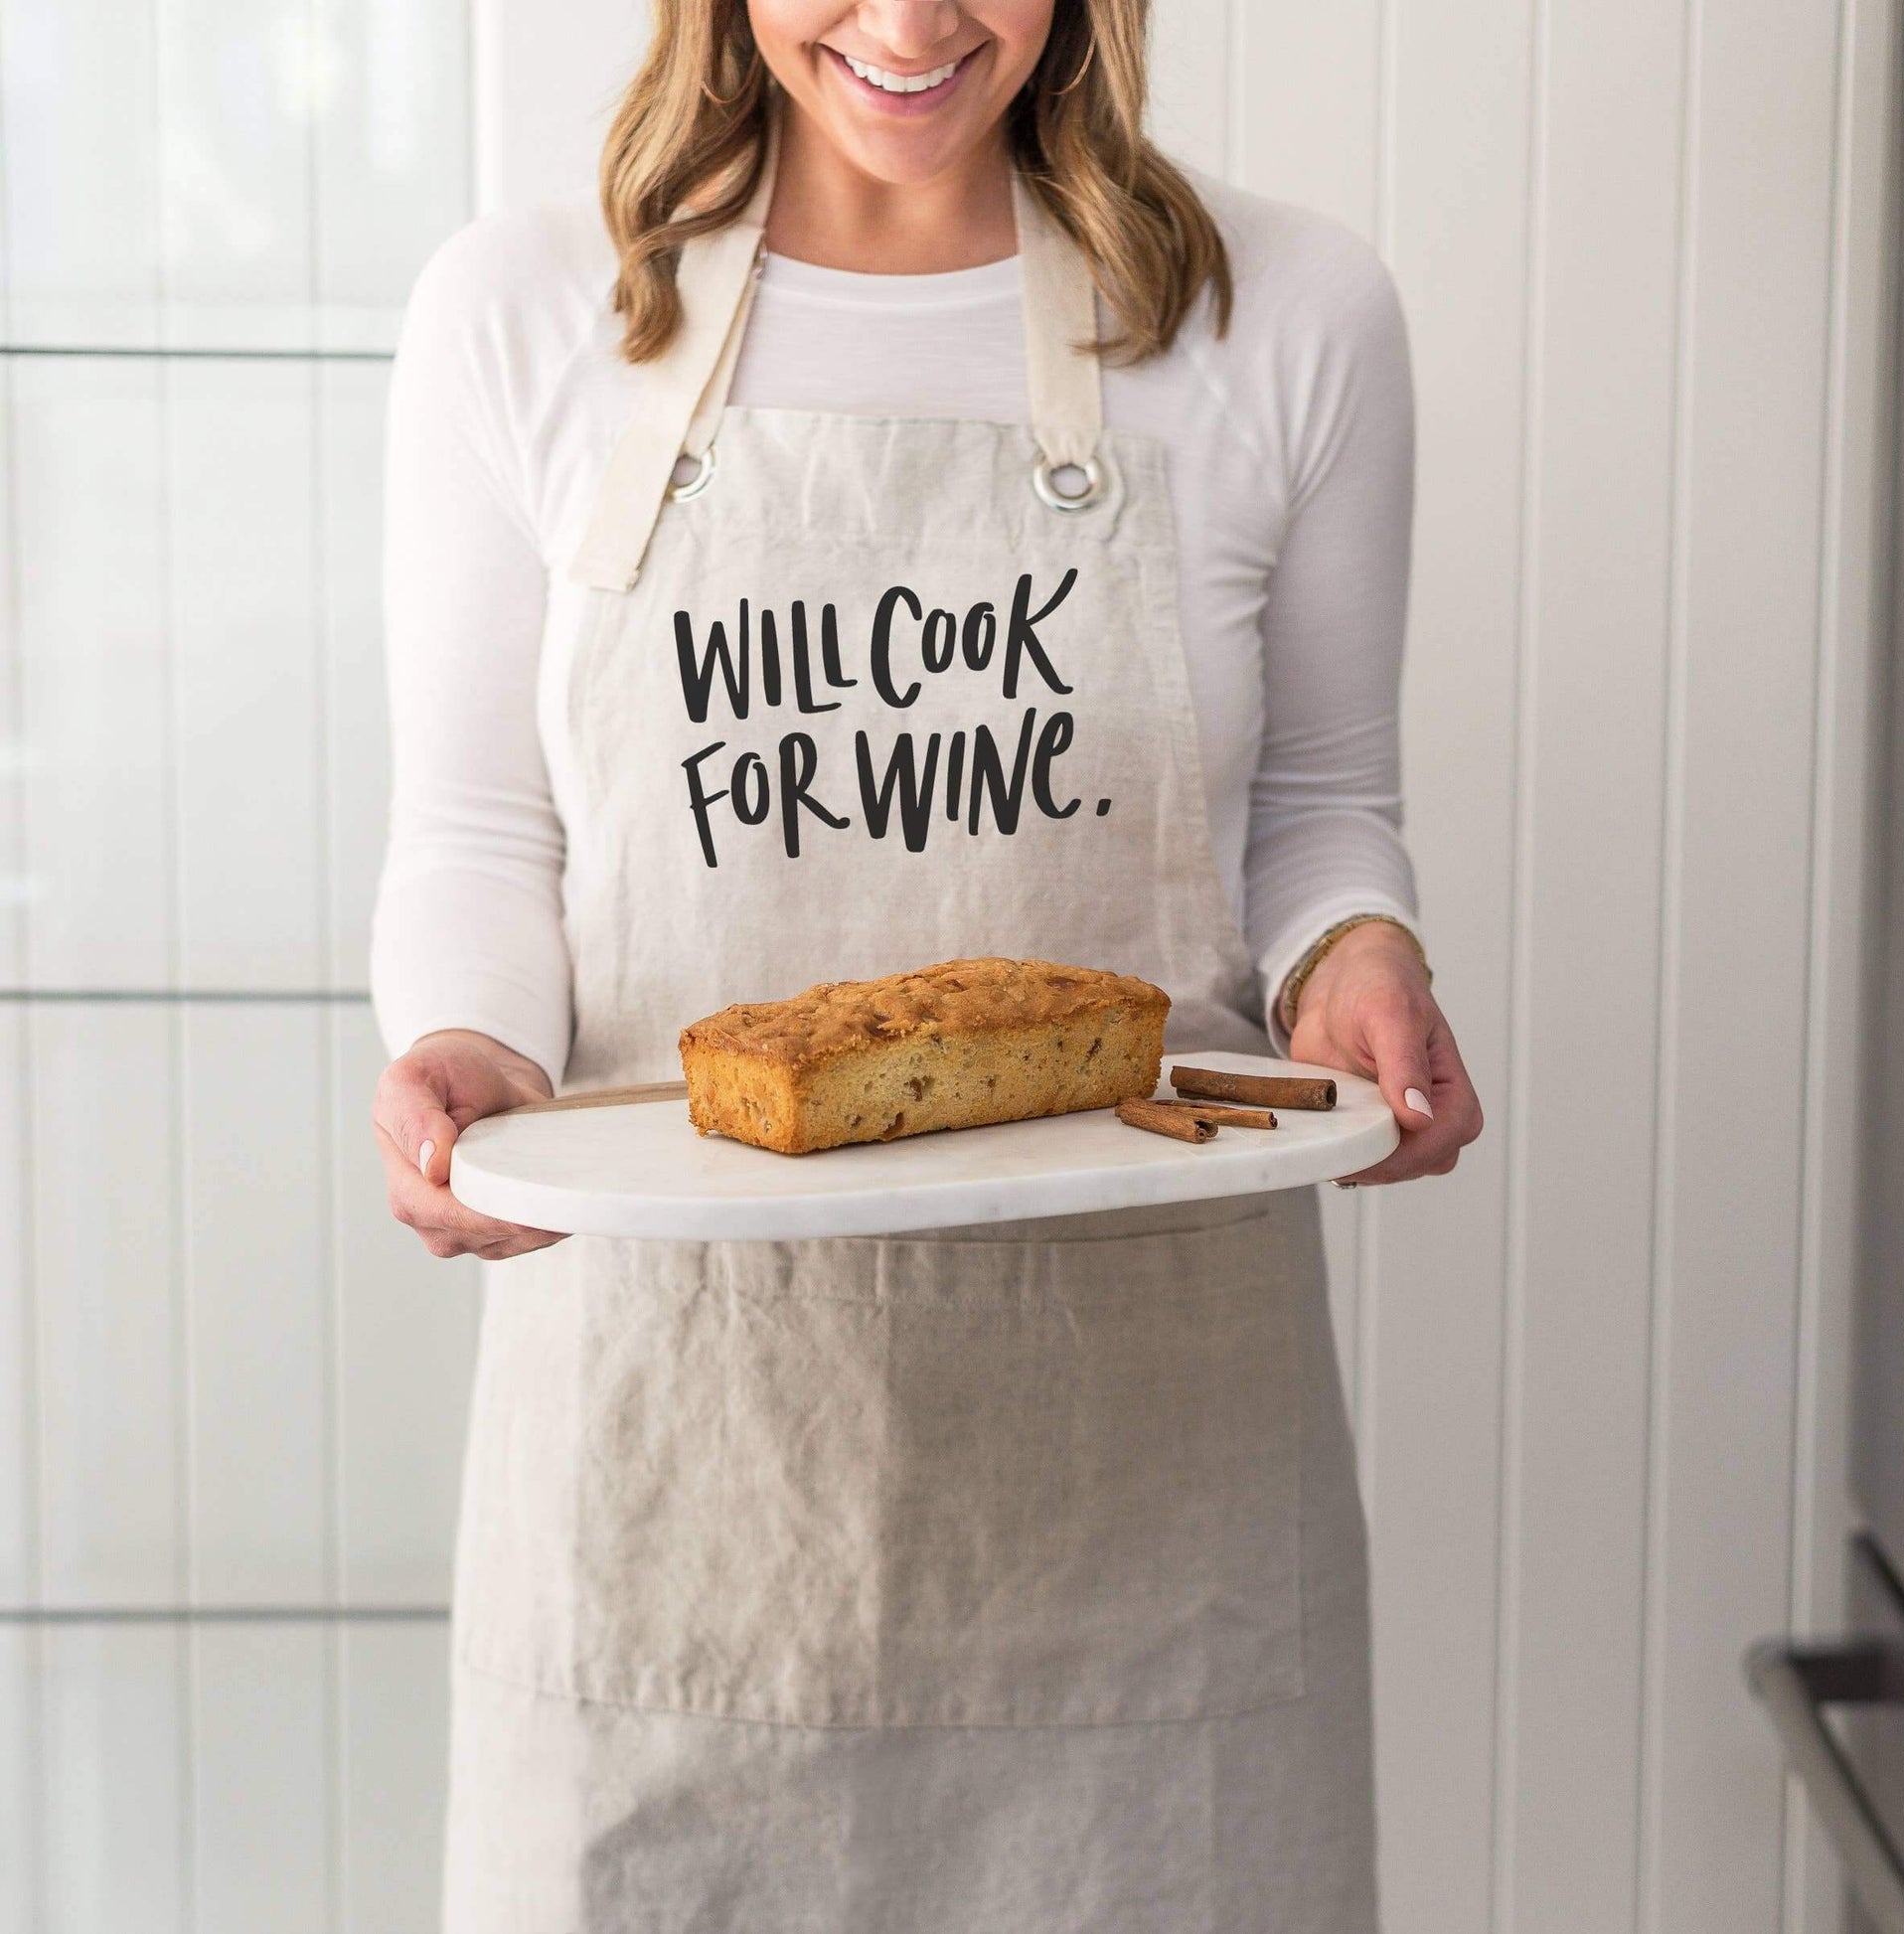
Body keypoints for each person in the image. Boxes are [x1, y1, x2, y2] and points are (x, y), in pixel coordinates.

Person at [370, 1, 1484, 1926]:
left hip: (1154, 1530)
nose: (904, 24)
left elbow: (1317, 805)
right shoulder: (525, 310)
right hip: (670, 1505)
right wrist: (463, 1043)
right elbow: (481, 829)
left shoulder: (1289, 315)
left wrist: (1354, 958)